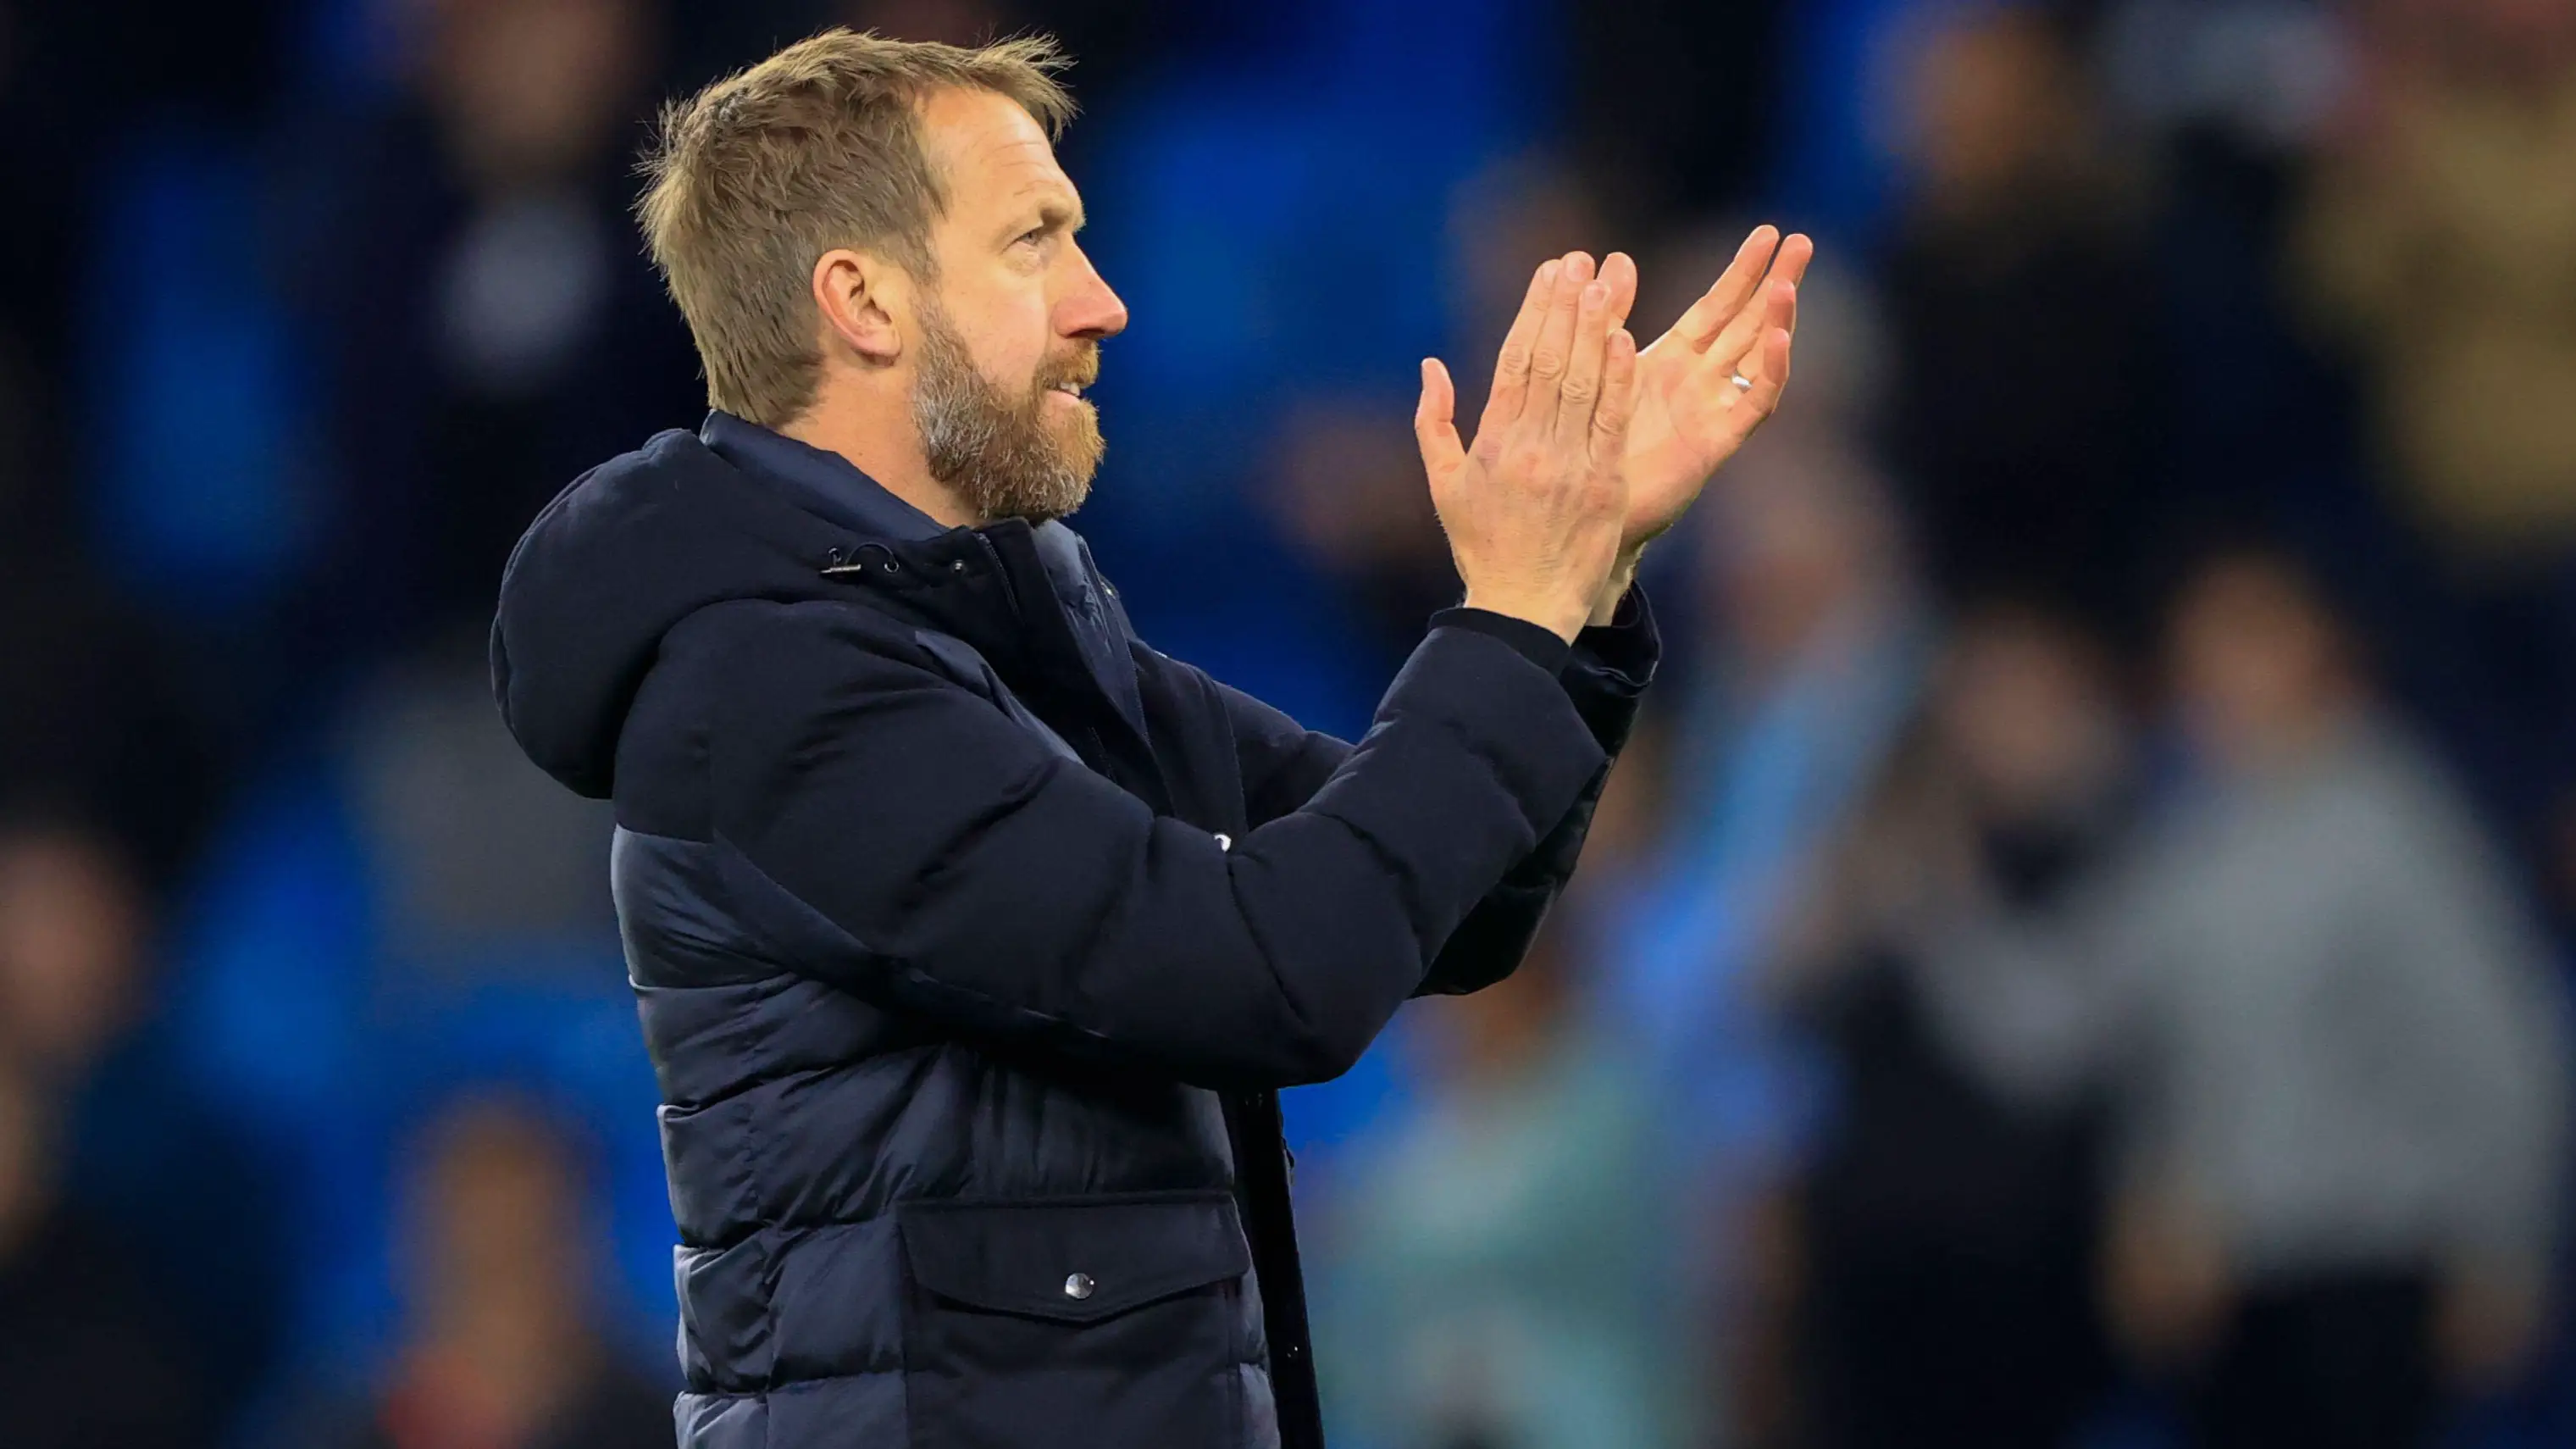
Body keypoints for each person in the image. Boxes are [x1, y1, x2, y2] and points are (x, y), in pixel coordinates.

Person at [486, 29, 1807, 1449]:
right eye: (1033, 242)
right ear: (862, 300)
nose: (1103, 302)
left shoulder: (1013, 625)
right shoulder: (775, 695)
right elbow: (1270, 974)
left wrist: (1580, 577)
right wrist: (1516, 610)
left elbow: (1454, 910)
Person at [2103, 549, 2569, 1449]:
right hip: (2222, 1285)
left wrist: (2506, 1250)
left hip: (2366, 1273)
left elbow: (2502, 1044)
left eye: (2249, 632)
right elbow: (2151, 1046)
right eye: (2199, 640)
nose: (2219, 664)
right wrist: (2146, 1200)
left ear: (2316, 643)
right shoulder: (2183, 830)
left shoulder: (2390, 812)